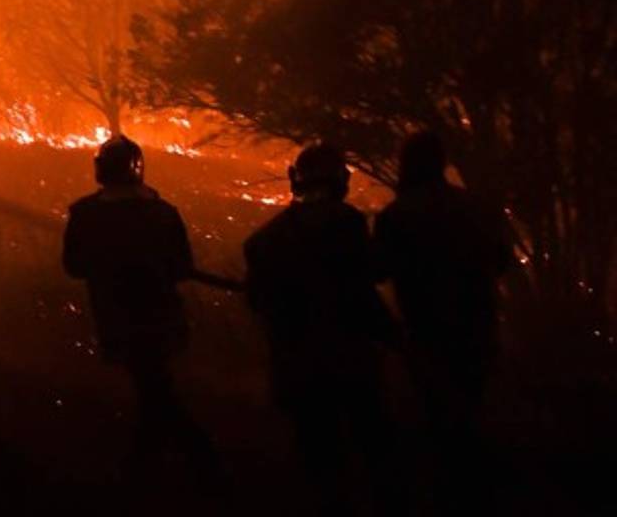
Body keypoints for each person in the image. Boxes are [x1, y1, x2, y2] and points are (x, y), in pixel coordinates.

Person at [244, 143, 401, 515]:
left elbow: (257, 301)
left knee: (320, 459)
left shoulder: (264, 240)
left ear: (295, 179)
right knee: (374, 447)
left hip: (296, 365)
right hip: (348, 359)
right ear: (340, 181)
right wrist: (394, 336)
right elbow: (362, 287)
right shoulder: (346, 223)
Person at [373, 131, 512, 507]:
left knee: (433, 420)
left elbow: (377, 269)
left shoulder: (396, 216)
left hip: (425, 332)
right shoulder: (477, 208)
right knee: (467, 414)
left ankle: (442, 495)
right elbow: (502, 262)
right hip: (476, 329)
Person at [62, 135, 216, 466]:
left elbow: (73, 266)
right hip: (162, 318)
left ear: (101, 170)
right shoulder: (162, 212)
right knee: (155, 388)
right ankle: (184, 463)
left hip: (116, 318)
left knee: (153, 390)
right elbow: (181, 267)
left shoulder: (85, 214)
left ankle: (185, 462)